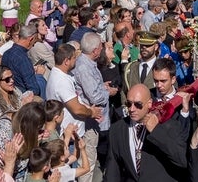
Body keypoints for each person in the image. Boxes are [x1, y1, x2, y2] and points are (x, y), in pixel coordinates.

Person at [104, 83, 188, 182]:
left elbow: (181, 160)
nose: (132, 109)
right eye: (129, 103)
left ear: (149, 103)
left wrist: (155, 131)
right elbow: (113, 169)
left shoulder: (168, 125)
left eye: (138, 104)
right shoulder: (117, 129)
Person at [73, 33, 111, 182]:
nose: (102, 50)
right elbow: (95, 97)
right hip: (90, 120)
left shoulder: (87, 64)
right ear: (95, 50)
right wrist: (107, 92)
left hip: (94, 120)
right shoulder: (84, 67)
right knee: (88, 160)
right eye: (101, 47)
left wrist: (101, 86)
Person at [1, 21, 44, 98]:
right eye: (35, 40)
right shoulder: (23, 59)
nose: (34, 45)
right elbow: (34, 89)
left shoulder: (6, 54)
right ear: (31, 39)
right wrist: (39, 76)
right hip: (22, 98)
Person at [121, 31, 159, 102]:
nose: (144, 47)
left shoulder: (163, 67)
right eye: (142, 45)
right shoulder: (130, 68)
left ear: (156, 47)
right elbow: (124, 91)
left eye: (148, 45)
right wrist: (125, 108)